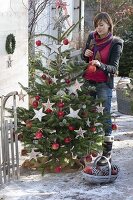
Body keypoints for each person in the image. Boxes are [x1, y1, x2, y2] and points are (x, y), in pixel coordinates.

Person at [82, 12, 123, 166]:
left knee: (104, 117)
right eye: (97, 25)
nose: (98, 28)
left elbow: (114, 68)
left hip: (104, 85)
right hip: (88, 82)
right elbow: (85, 59)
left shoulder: (115, 43)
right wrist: (85, 54)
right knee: (86, 114)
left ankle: (107, 153)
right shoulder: (91, 37)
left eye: (101, 25)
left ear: (108, 25)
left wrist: (101, 65)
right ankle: (86, 149)